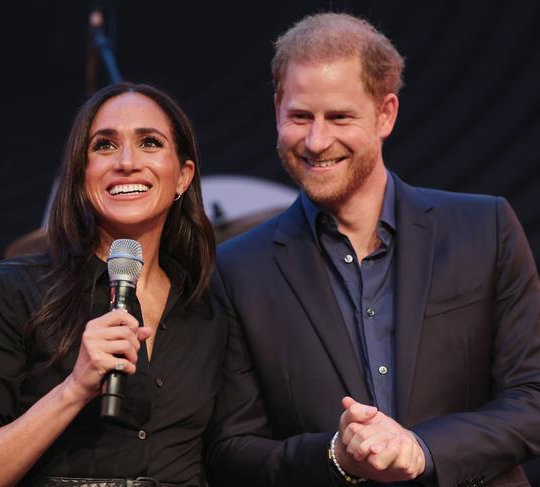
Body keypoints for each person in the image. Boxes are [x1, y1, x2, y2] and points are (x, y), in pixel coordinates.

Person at [206, 12, 540, 487]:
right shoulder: (238, 270)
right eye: (300, 116)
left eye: (340, 116)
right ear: (278, 107)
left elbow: (532, 397)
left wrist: (423, 450)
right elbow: (230, 450)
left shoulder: (485, 229)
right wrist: (334, 456)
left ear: (386, 114)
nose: (317, 141)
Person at [0, 82, 225, 487]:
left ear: (183, 176)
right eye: (104, 146)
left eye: (149, 142)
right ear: (81, 173)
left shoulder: (209, 306)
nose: (126, 162)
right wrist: (74, 389)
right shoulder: (13, 291)